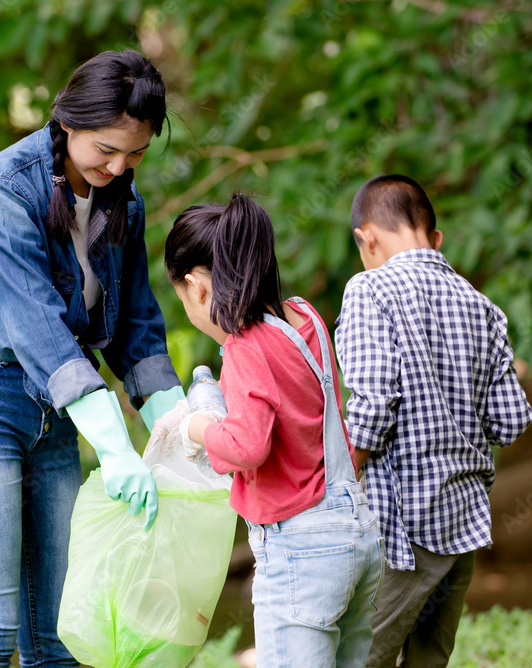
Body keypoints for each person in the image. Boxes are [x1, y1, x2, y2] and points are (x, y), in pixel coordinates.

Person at [0, 50, 186, 667]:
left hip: (53, 409)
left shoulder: (124, 206)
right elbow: (37, 326)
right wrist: (115, 448)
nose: (118, 167)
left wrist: (179, 426)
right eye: (106, 150)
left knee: (58, 637)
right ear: (67, 123)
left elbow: (135, 325)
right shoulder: (5, 189)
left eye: (136, 153)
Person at [163, 193, 384, 667]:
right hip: (357, 533)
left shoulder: (244, 348)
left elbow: (248, 446)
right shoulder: (305, 317)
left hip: (301, 546)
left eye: (183, 296)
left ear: (196, 287)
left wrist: (197, 426)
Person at [335, 175, 532, 667]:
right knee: (429, 660)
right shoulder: (482, 307)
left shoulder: (370, 288)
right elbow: (511, 420)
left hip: (400, 527)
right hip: (464, 520)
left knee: (358, 658)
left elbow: (374, 404)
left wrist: (336, 483)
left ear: (367, 238)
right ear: (436, 238)